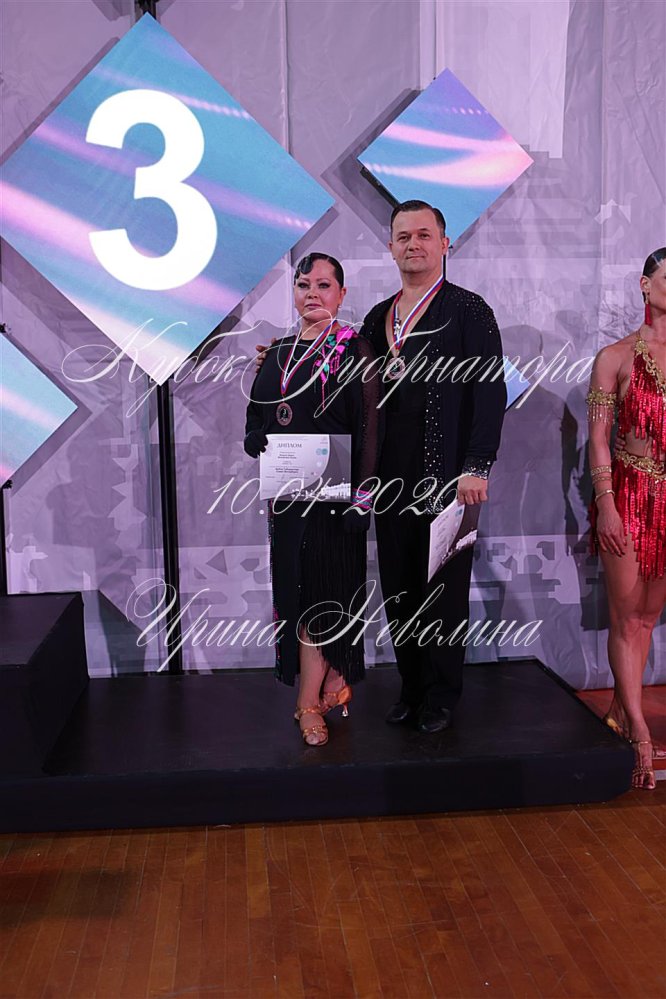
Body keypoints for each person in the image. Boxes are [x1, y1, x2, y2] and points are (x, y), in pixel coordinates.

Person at [359, 200, 506, 733]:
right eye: (403, 236)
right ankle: (411, 687)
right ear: (391, 247)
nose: (413, 244)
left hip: (450, 477)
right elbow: (352, 388)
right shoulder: (377, 317)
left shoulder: (469, 310)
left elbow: (490, 393)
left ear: (445, 244)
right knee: (400, 587)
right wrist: (284, 358)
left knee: (443, 591)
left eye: (424, 235)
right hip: (390, 479)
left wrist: (477, 465)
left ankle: (441, 696)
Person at [244, 253, 382, 746]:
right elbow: (258, 414)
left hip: (337, 500)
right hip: (287, 500)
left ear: (341, 295)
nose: (312, 293)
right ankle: (332, 684)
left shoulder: (357, 351)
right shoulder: (278, 352)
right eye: (304, 284)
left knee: (326, 597)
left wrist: (363, 498)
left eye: (324, 285)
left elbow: (370, 431)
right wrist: (254, 437)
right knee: (298, 595)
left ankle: (309, 701)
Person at [587, 247, 666, 790]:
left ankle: (621, 710)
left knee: (650, 618)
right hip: (629, 492)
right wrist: (607, 504)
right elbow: (597, 438)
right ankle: (638, 729)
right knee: (628, 619)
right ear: (645, 285)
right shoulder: (614, 357)